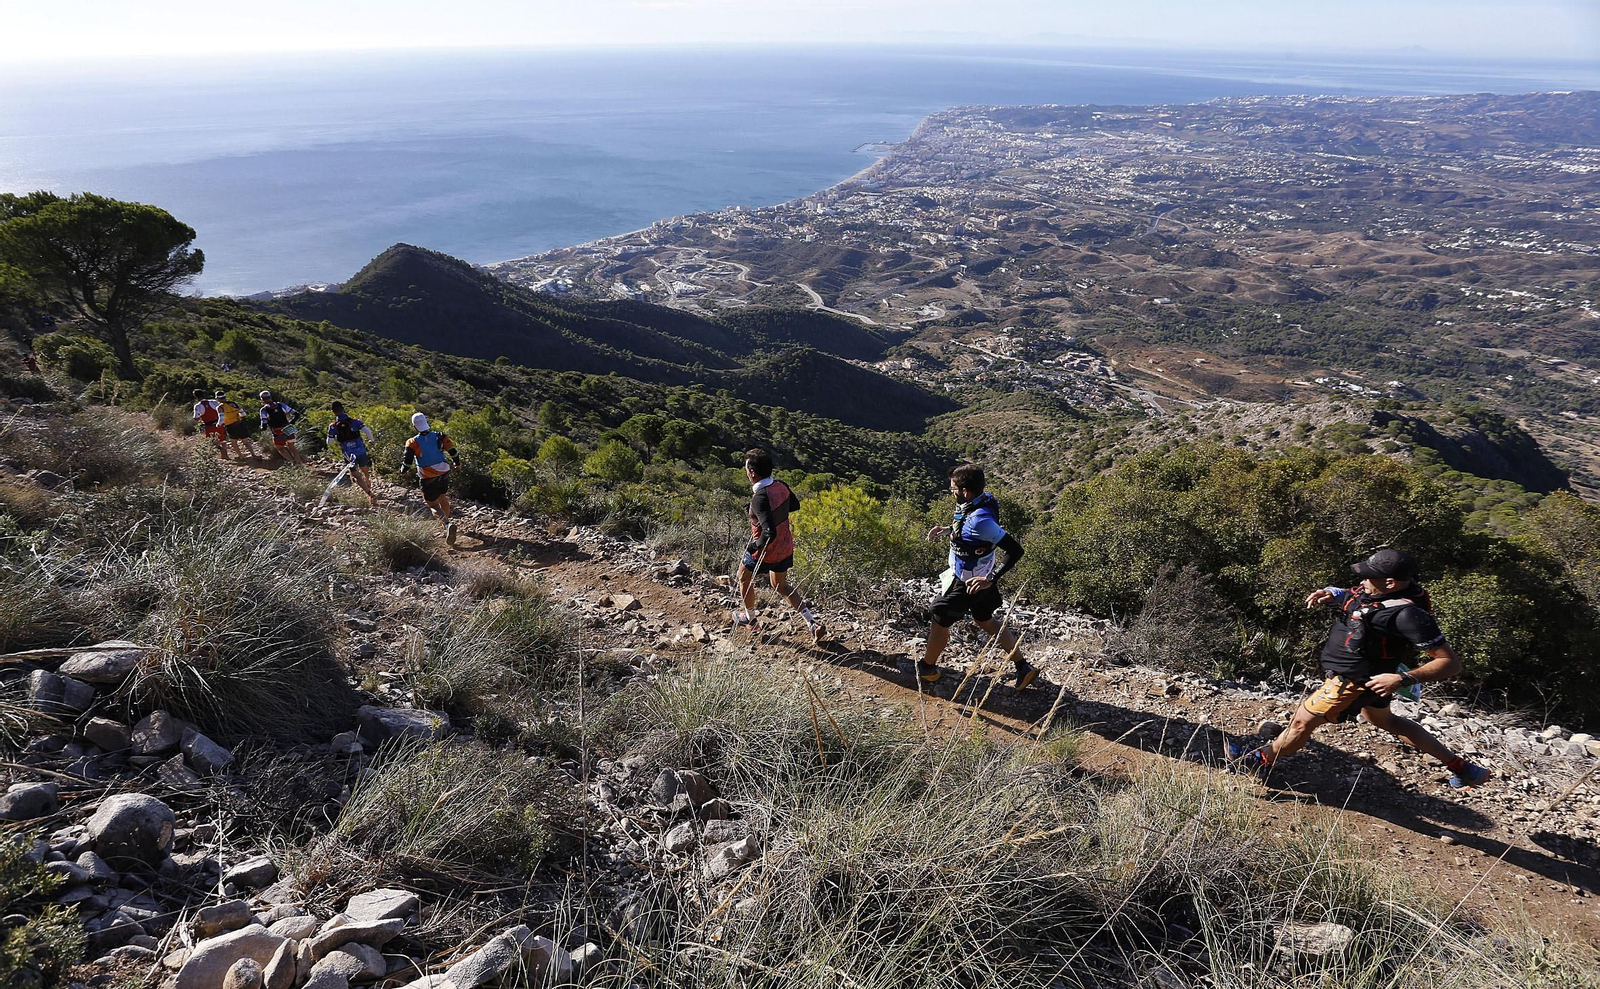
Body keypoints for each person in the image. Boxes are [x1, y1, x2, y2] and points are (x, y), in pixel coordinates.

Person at [1228, 548, 1491, 789]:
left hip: (1352, 681)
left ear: (1390, 582)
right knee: (1385, 720)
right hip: (1372, 678)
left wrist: (1402, 679)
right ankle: (1461, 767)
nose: (1363, 581)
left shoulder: (1409, 615)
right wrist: (1333, 593)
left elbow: (1449, 663)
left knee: (1300, 723)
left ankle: (1256, 761)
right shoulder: (1381, 591)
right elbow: (1357, 597)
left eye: (1369, 577)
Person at [916, 464, 1035, 690]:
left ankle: (927, 668)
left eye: (953, 489)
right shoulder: (981, 500)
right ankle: (1023, 667)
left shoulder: (979, 521)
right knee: (985, 620)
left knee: (939, 614)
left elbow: (1015, 550)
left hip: (969, 582)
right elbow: (968, 529)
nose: (951, 492)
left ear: (965, 491)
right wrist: (947, 530)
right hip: (980, 578)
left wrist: (991, 578)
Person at [734, 448, 824, 642]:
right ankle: (812, 622)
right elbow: (794, 505)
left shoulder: (759, 498)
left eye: (746, 468)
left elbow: (768, 533)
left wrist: (753, 546)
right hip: (785, 546)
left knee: (743, 577)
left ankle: (750, 620)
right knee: (780, 585)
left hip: (766, 551)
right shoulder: (780, 485)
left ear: (752, 472)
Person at [403, 412, 461, 544]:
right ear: (426, 422)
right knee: (442, 497)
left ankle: (446, 524)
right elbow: (453, 451)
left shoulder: (412, 442)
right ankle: (447, 523)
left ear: (414, 426)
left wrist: (403, 471)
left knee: (433, 504)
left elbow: (407, 461)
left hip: (427, 475)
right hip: (444, 471)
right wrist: (457, 464)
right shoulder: (440, 436)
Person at [326, 401, 378, 506]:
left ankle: (369, 493)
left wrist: (334, 437)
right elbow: (368, 431)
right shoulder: (355, 421)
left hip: (348, 454)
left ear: (333, 412)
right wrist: (371, 441)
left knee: (356, 476)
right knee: (364, 467)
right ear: (343, 409)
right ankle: (368, 480)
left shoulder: (333, 426)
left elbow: (329, 442)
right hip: (361, 450)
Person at [258, 390, 305, 464]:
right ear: (270, 397)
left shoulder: (264, 410)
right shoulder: (281, 405)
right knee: (292, 448)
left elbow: (264, 424)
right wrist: (292, 422)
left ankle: (293, 463)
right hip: (289, 428)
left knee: (281, 449)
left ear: (262, 399)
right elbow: (297, 414)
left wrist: (262, 429)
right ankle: (299, 463)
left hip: (278, 431)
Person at [214, 390, 258, 459]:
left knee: (234, 442)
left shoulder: (220, 407)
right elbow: (243, 414)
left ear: (217, 398)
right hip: (240, 424)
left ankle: (240, 456)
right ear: (225, 397)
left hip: (230, 426)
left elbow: (221, 418)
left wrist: (218, 425)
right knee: (245, 441)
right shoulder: (235, 404)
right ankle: (253, 454)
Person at [191, 389, 228, 457]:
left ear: (196, 397)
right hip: (219, 423)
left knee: (211, 441)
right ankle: (225, 454)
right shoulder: (213, 402)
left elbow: (196, 418)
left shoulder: (197, 406)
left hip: (209, 425)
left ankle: (221, 450)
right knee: (222, 439)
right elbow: (223, 408)